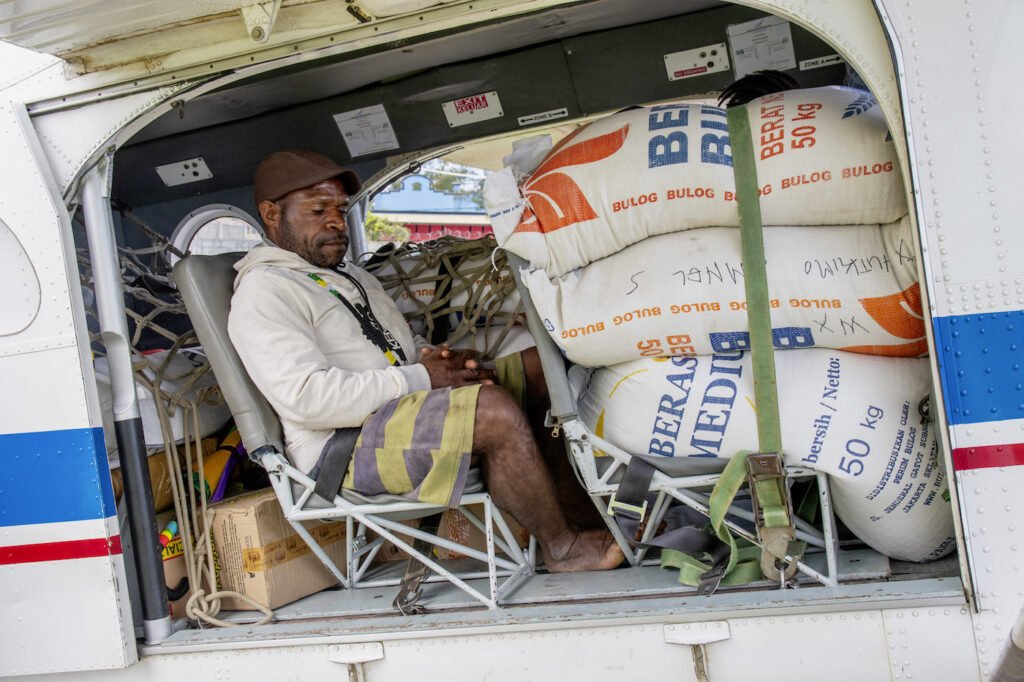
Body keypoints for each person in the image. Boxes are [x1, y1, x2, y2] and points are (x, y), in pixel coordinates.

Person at [228, 149, 621, 573]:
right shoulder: (263, 291)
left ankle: (582, 520)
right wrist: (420, 377)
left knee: (536, 367)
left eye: (341, 210)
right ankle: (561, 548)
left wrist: (436, 361)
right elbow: (307, 399)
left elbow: (397, 347)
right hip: (342, 448)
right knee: (491, 413)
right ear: (271, 215)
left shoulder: (351, 276)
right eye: (318, 210)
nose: (336, 222)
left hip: (397, 410)